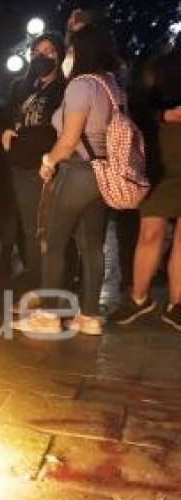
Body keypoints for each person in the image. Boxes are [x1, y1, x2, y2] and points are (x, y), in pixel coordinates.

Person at [15, 25, 120, 336]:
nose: (67, 55)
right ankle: (89, 317)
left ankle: (48, 315)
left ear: (82, 51)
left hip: (76, 172)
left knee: (54, 243)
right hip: (102, 172)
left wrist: (48, 161)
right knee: (92, 248)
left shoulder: (80, 86)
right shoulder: (111, 85)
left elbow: (69, 138)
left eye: (71, 49)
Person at [110, 47, 181, 331]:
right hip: (160, 159)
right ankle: (138, 297)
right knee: (150, 231)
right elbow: (136, 109)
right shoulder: (158, 67)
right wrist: (166, 116)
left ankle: (177, 304)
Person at [1, 32, 66, 308]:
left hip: (51, 167)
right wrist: (5, 129)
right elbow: (8, 115)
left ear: (60, 55)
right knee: (30, 229)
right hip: (21, 165)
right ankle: (36, 283)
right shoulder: (20, 86)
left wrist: (52, 159)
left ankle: (52, 287)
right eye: (38, 52)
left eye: (49, 51)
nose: (43, 56)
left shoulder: (66, 88)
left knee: (50, 230)